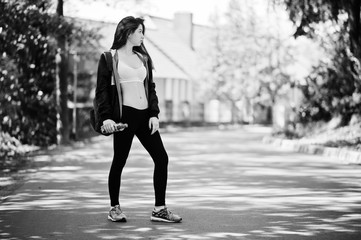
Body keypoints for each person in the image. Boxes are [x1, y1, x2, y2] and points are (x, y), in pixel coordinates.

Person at [95, 16, 182, 223]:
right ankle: (114, 208)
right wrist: (106, 118)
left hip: (145, 116)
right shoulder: (109, 58)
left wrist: (154, 114)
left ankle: (159, 209)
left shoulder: (143, 57)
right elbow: (102, 92)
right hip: (125, 117)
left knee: (162, 158)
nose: (143, 36)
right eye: (140, 32)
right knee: (120, 161)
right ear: (128, 33)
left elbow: (150, 88)